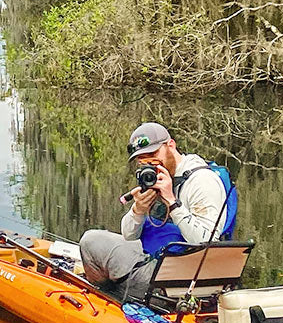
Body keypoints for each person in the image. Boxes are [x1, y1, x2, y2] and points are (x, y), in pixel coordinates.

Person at [79, 122, 231, 301]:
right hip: (160, 257)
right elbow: (129, 235)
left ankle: (112, 299)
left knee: (92, 245)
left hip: (183, 277)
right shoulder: (156, 177)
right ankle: (112, 297)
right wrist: (138, 210)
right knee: (92, 240)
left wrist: (172, 203)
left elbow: (208, 243)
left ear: (171, 145)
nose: (150, 162)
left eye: (153, 154)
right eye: (142, 159)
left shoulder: (202, 181)